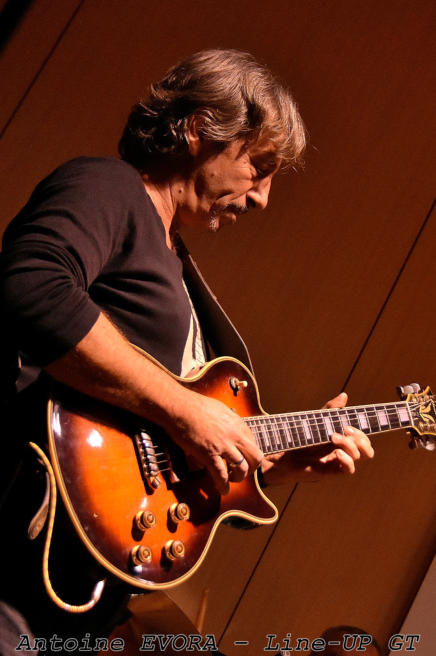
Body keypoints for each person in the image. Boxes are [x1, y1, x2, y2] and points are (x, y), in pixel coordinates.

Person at [0, 49, 374, 654]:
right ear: (200, 128)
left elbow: (158, 460)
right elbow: (32, 286)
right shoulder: (110, 187)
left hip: (71, 602)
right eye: (259, 167)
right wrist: (185, 409)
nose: (262, 198)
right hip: (17, 555)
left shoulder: (176, 263)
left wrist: (282, 464)